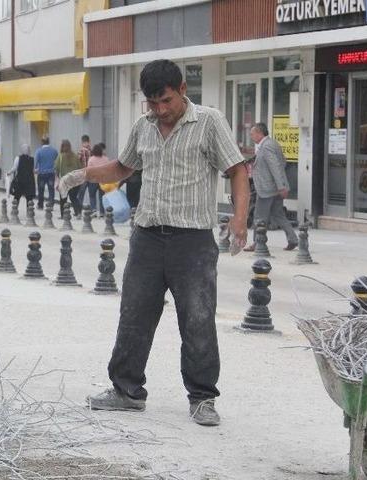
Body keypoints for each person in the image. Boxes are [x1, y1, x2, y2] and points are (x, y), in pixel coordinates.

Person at [84, 60, 249, 427]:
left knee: (198, 319)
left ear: (183, 90)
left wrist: (240, 220)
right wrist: (83, 175)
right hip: (147, 237)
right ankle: (127, 391)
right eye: (153, 102)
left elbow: (237, 170)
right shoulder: (143, 127)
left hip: (192, 241)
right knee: (134, 315)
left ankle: (202, 398)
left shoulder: (209, 122)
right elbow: (123, 167)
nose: (160, 110)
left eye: (166, 101)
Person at [243, 122, 298, 251]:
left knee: (259, 216)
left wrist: (281, 186)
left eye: (252, 134)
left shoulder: (266, 146)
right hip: (274, 188)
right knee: (278, 214)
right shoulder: (272, 144)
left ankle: (258, 242)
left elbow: (275, 167)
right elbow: (282, 162)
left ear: (259, 133)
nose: (251, 136)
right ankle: (293, 239)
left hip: (267, 189)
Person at [55, 139, 84, 217]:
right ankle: (78, 212)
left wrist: (57, 180)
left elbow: (56, 168)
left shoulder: (60, 156)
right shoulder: (75, 156)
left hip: (65, 181)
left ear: (61, 147)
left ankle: (63, 215)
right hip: (74, 180)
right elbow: (80, 167)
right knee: (73, 197)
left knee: (63, 198)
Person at [7, 144, 36, 211]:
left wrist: (9, 172)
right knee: (29, 197)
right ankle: (29, 211)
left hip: (20, 180)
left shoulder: (18, 158)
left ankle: (14, 210)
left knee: (17, 196)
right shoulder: (32, 159)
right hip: (29, 180)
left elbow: (14, 168)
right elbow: (33, 170)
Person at [85, 143, 111, 214]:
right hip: (102, 180)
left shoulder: (91, 159)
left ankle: (94, 210)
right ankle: (102, 212)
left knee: (92, 196)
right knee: (102, 196)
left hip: (93, 180)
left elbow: (89, 171)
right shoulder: (106, 159)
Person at [34, 136, 57, 210]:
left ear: (42, 142)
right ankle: (51, 205)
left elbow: (35, 162)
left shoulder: (38, 151)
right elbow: (57, 161)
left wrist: (35, 169)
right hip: (51, 173)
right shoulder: (54, 151)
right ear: (49, 142)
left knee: (41, 190)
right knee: (51, 189)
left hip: (41, 173)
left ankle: (40, 205)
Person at [78, 134, 93, 209]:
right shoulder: (92, 150)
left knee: (81, 193)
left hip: (83, 174)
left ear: (82, 141)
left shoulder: (81, 151)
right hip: (91, 174)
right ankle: (93, 209)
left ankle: (78, 210)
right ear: (89, 141)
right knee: (92, 194)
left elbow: (77, 162)